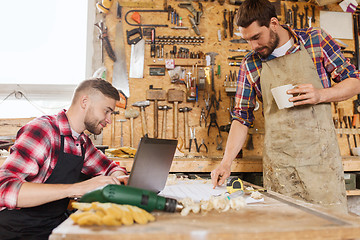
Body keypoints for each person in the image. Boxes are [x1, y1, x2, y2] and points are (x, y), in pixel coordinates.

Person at [211, 0, 360, 213]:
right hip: (281, 169)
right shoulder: (250, 63)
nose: (253, 46)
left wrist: (320, 95)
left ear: (273, 23)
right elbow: (241, 117)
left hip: (322, 165)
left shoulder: (315, 41)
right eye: (247, 40)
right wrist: (226, 162)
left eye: (256, 37)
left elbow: (354, 81)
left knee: (329, 229)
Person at [0, 78, 128, 239]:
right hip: (18, 231)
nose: (109, 119)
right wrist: (76, 188)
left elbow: (110, 168)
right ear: (85, 101)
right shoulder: (43, 131)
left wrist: (117, 178)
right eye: (106, 111)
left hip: (53, 227)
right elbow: (4, 189)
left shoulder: (81, 142)